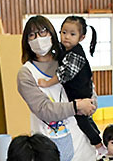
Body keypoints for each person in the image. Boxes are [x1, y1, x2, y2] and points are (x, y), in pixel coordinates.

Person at [17, 15, 98, 161]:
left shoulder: (69, 59)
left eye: (43, 32)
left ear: (52, 34)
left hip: (80, 139)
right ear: (26, 41)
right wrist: (77, 106)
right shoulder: (26, 74)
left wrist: (90, 103)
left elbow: (88, 85)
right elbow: (44, 109)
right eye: (32, 35)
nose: (39, 38)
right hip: (48, 143)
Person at [37, 15, 101, 147]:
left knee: (82, 120)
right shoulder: (63, 48)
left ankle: (97, 143)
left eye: (72, 34)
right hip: (76, 92)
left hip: (81, 93)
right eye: (64, 32)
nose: (66, 37)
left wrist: (47, 83)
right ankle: (97, 136)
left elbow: (63, 75)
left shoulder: (76, 54)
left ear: (81, 38)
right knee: (87, 119)